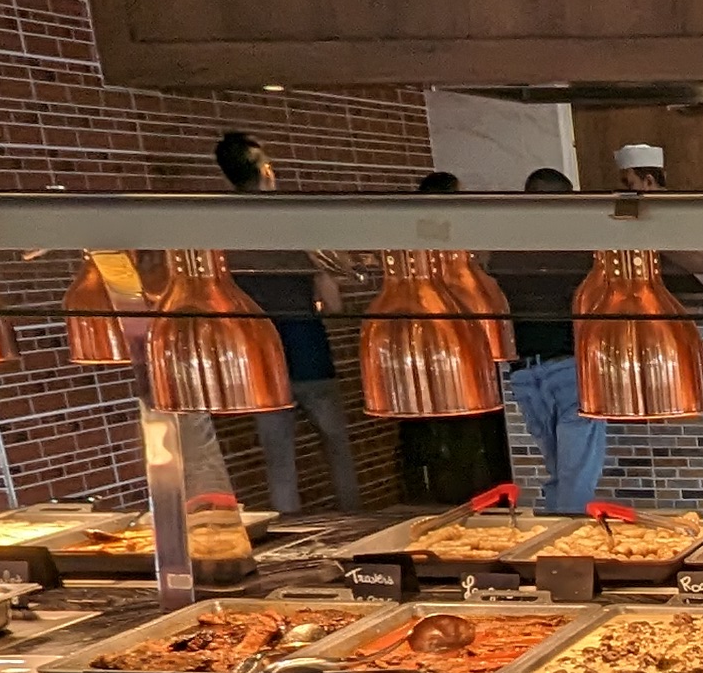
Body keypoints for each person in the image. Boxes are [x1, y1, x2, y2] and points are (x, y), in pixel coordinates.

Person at [212, 132, 363, 514]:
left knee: (279, 463)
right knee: (337, 448)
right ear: (266, 169)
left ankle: (288, 533)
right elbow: (333, 301)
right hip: (308, 349)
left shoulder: (221, 233)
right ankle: (357, 524)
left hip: (259, 361)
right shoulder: (296, 226)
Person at [395, 172, 518, 507]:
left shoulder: (415, 245)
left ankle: (466, 503)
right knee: (476, 437)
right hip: (461, 356)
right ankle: (484, 504)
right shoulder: (453, 248)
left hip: (441, 357)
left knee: (457, 439)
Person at [491, 167, 605, 514]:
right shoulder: (578, 250)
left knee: (559, 474)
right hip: (570, 369)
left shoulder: (507, 251)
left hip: (524, 372)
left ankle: (555, 533)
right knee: (576, 475)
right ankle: (570, 541)